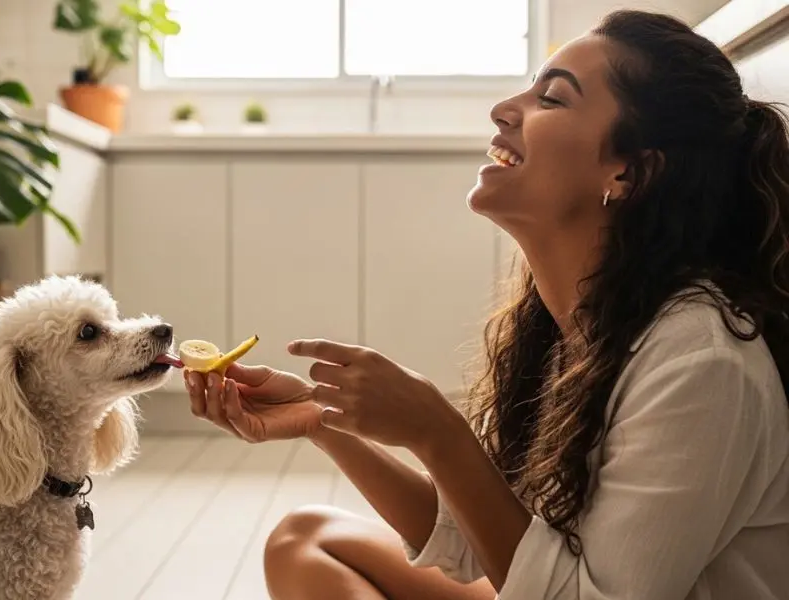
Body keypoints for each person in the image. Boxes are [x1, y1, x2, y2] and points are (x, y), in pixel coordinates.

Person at [184, 9, 789, 600]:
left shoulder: (699, 362)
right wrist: (322, 420)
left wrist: (438, 431)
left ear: (628, 173)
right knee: (306, 538)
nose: (503, 109)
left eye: (552, 98)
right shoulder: (574, 326)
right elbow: (480, 540)